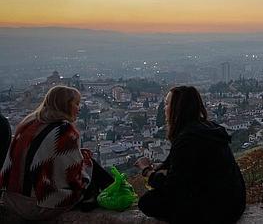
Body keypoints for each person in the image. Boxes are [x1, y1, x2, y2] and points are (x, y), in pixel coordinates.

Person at [0, 85, 113, 220]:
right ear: (64, 105)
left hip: (11, 200)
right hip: (39, 206)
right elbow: (74, 178)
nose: (79, 108)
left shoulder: (28, 124)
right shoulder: (64, 130)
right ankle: (110, 193)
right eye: (76, 104)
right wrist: (83, 164)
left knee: (82, 159)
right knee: (90, 163)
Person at [136, 86, 246, 224]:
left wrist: (147, 171)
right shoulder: (207, 128)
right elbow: (178, 165)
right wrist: (160, 168)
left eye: (167, 103)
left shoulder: (188, 139)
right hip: (235, 203)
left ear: (177, 108)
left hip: (217, 212)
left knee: (147, 201)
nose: (164, 108)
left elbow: (173, 187)